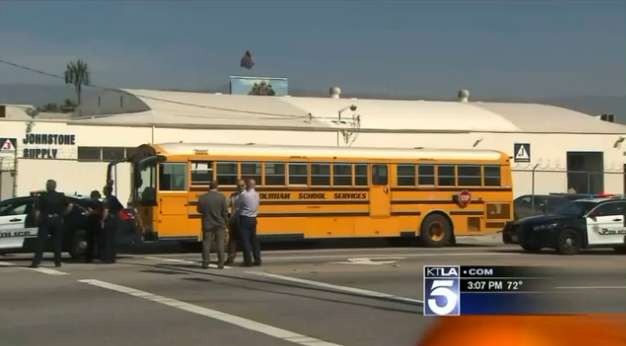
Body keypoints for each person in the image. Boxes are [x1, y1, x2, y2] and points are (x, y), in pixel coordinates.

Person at [30, 179, 72, 268]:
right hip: (57, 220)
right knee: (57, 242)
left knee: (41, 242)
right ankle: (58, 262)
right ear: (55, 186)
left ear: (47, 186)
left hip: (46, 220)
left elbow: (37, 211)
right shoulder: (61, 196)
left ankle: (36, 262)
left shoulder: (42, 196)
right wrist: (63, 214)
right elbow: (70, 205)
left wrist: (36, 220)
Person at [197, 180, 228, 269]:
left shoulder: (203, 197)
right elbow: (225, 211)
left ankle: (205, 262)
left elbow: (199, 209)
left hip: (207, 223)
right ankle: (221, 263)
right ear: (217, 187)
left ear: (209, 187)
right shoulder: (221, 197)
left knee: (206, 243)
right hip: (219, 224)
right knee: (220, 243)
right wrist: (226, 221)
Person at [234, 178, 261, 267]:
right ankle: (257, 259)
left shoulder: (245, 196)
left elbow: (237, 206)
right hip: (253, 219)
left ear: (248, 185)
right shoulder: (257, 195)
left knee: (245, 241)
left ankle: (248, 261)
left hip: (245, 219)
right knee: (254, 240)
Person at [225, 179, 246, 265]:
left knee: (245, 240)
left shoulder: (247, 196)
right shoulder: (233, 195)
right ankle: (230, 259)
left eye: (242, 185)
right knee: (232, 241)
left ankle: (246, 259)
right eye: (238, 186)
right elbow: (227, 204)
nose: (240, 187)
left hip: (243, 220)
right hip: (234, 220)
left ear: (245, 186)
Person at [101, 185, 123, 264]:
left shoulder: (107, 200)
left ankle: (108, 258)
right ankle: (113, 258)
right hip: (115, 220)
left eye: (104, 189)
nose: (103, 191)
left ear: (107, 190)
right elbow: (120, 208)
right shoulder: (114, 198)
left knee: (108, 240)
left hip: (109, 221)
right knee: (113, 240)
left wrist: (103, 220)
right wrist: (116, 215)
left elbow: (106, 210)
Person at [84, 190, 103, 263]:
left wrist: (92, 212)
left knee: (99, 241)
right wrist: (93, 212)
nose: (94, 198)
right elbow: (87, 212)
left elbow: (100, 211)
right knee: (90, 241)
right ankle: (89, 257)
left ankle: (100, 256)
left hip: (97, 223)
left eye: (95, 196)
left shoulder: (100, 204)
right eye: (93, 196)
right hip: (90, 224)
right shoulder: (88, 204)